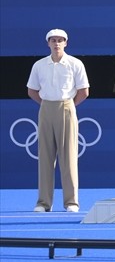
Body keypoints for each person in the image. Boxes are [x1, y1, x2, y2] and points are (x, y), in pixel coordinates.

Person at [26, 29, 89, 212]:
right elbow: (32, 90)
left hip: (67, 106)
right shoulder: (39, 65)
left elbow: (84, 91)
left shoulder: (75, 64)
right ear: (48, 43)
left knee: (69, 156)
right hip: (46, 108)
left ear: (66, 43)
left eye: (60, 40)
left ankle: (71, 202)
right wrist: (47, 104)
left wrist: (68, 105)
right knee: (45, 157)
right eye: (53, 40)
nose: (57, 43)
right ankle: (43, 203)